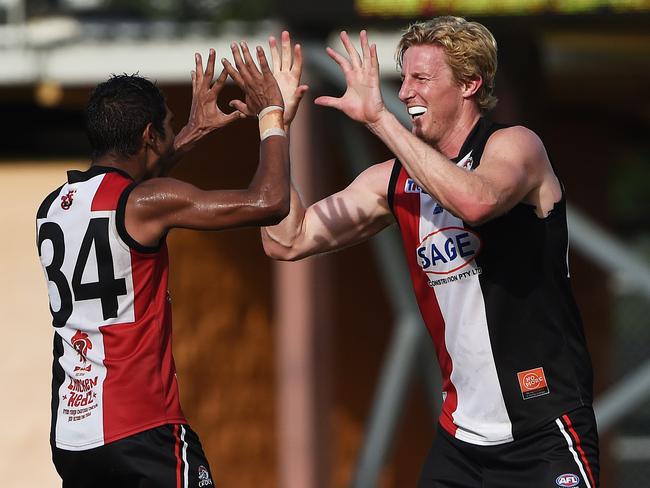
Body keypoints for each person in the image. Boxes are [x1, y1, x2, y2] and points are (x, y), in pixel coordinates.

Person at [262, 18, 600, 488]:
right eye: (403, 80)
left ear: (469, 84)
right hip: (460, 443)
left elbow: (475, 201)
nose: (403, 93)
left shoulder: (514, 146)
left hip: (545, 429)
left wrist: (379, 119)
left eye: (421, 79)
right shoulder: (392, 181)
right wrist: (274, 125)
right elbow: (285, 239)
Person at [36, 42, 288, 487]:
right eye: (168, 130)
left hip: (73, 439)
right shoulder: (148, 202)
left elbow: (130, 191)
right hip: (142, 428)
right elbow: (269, 202)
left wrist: (191, 130)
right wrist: (272, 116)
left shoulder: (52, 208)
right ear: (149, 135)